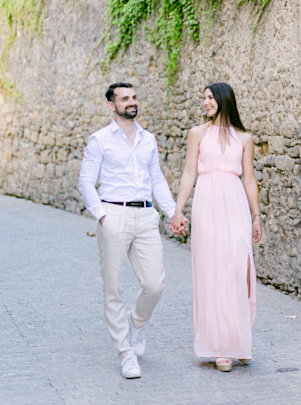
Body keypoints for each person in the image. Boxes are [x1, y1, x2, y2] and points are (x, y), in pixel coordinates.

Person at [79, 82, 187, 379]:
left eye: (134, 97)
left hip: (145, 215)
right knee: (113, 288)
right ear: (111, 105)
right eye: (124, 98)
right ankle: (126, 353)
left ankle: (137, 321)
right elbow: (86, 181)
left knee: (155, 284)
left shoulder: (148, 139)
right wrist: (102, 216)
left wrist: (173, 211)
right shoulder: (100, 140)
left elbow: (157, 180)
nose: (131, 102)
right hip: (112, 213)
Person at [170, 82, 262, 372]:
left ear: (224, 100)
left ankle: (239, 342)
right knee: (213, 272)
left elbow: (249, 179)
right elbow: (188, 173)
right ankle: (221, 348)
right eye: (204, 98)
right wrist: (178, 209)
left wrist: (256, 216)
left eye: (210, 98)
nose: (206, 102)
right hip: (207, 204)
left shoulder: (244, 138)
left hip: (235, 206)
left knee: (238, 269)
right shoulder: (197, 134)